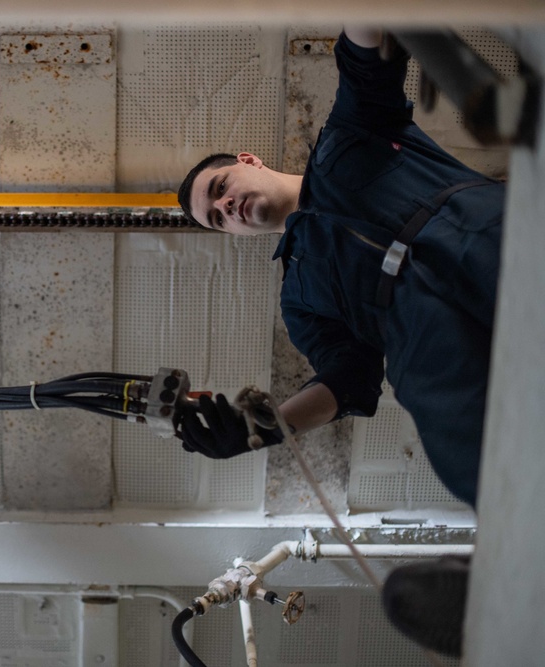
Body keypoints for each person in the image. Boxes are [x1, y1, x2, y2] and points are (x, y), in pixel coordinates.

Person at [174, 27, 505, 658]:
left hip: (481, 236)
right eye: (216, 219)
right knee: (474, 449)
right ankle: (509, 576)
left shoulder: (346, 140)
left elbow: (367, 60)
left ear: (247, 162)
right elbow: (344, 379)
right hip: (425, 342)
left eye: (220, 190)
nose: (228, 209)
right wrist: (257, 430)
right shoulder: (300, 297)